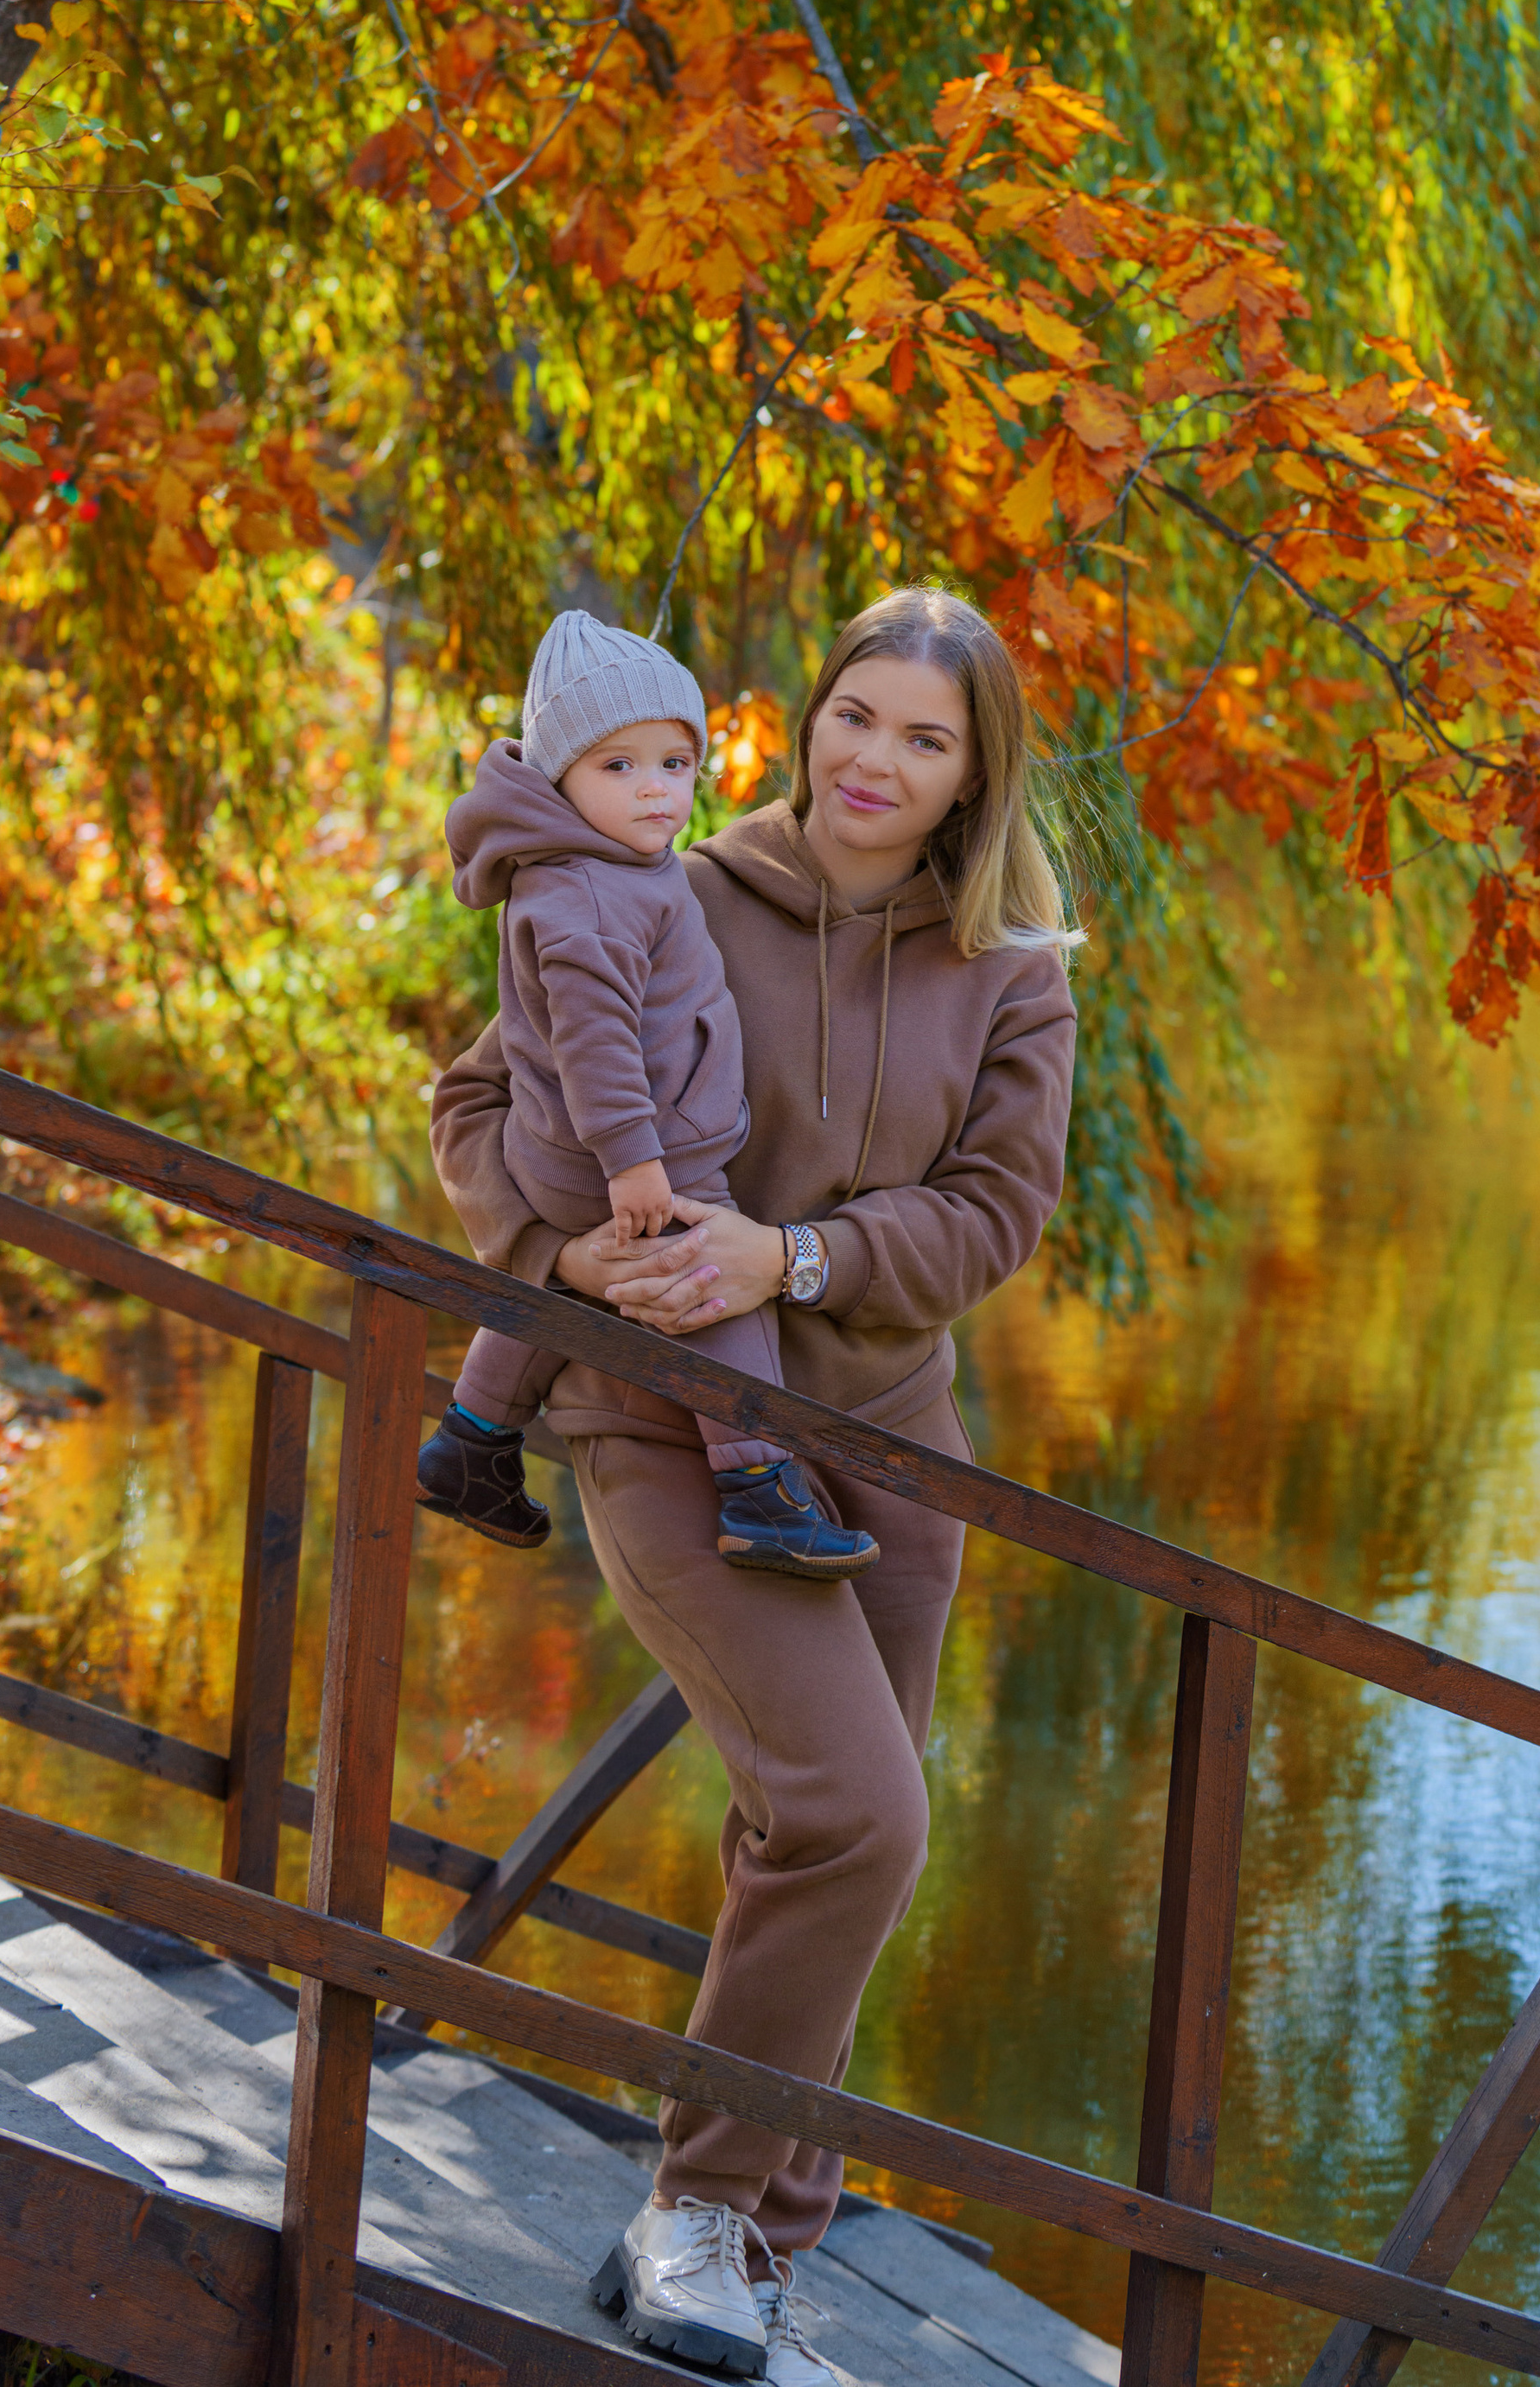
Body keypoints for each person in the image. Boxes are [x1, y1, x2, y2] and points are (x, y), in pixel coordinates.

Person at [428, 583, 1079, 2384]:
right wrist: (560, 1261)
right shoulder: (671, 884)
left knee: (820, 1838)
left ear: (972, 776)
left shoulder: (1013, 971)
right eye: (854, 715)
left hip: (886, 1451)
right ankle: (701, 2215)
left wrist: (789, 1258)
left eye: (925, 739)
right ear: (804, 720)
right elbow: (477, 1108)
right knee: (862, 1815)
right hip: (663, 1422)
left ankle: (756, 2244)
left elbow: (993, 1215)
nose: (876, 760)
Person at [414, 608, 877, 1583]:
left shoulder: (615, 863)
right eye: (618, 766)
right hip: (630, 1155)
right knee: (710, 1282)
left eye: (674, 763)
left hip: (583, 1151)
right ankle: (760, 1488)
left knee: (559, 1294)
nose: (656, 789)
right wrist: (633, 1160)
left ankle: (470, 1442)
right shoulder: (586, 894)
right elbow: (592, 1041)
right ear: (560, 778)